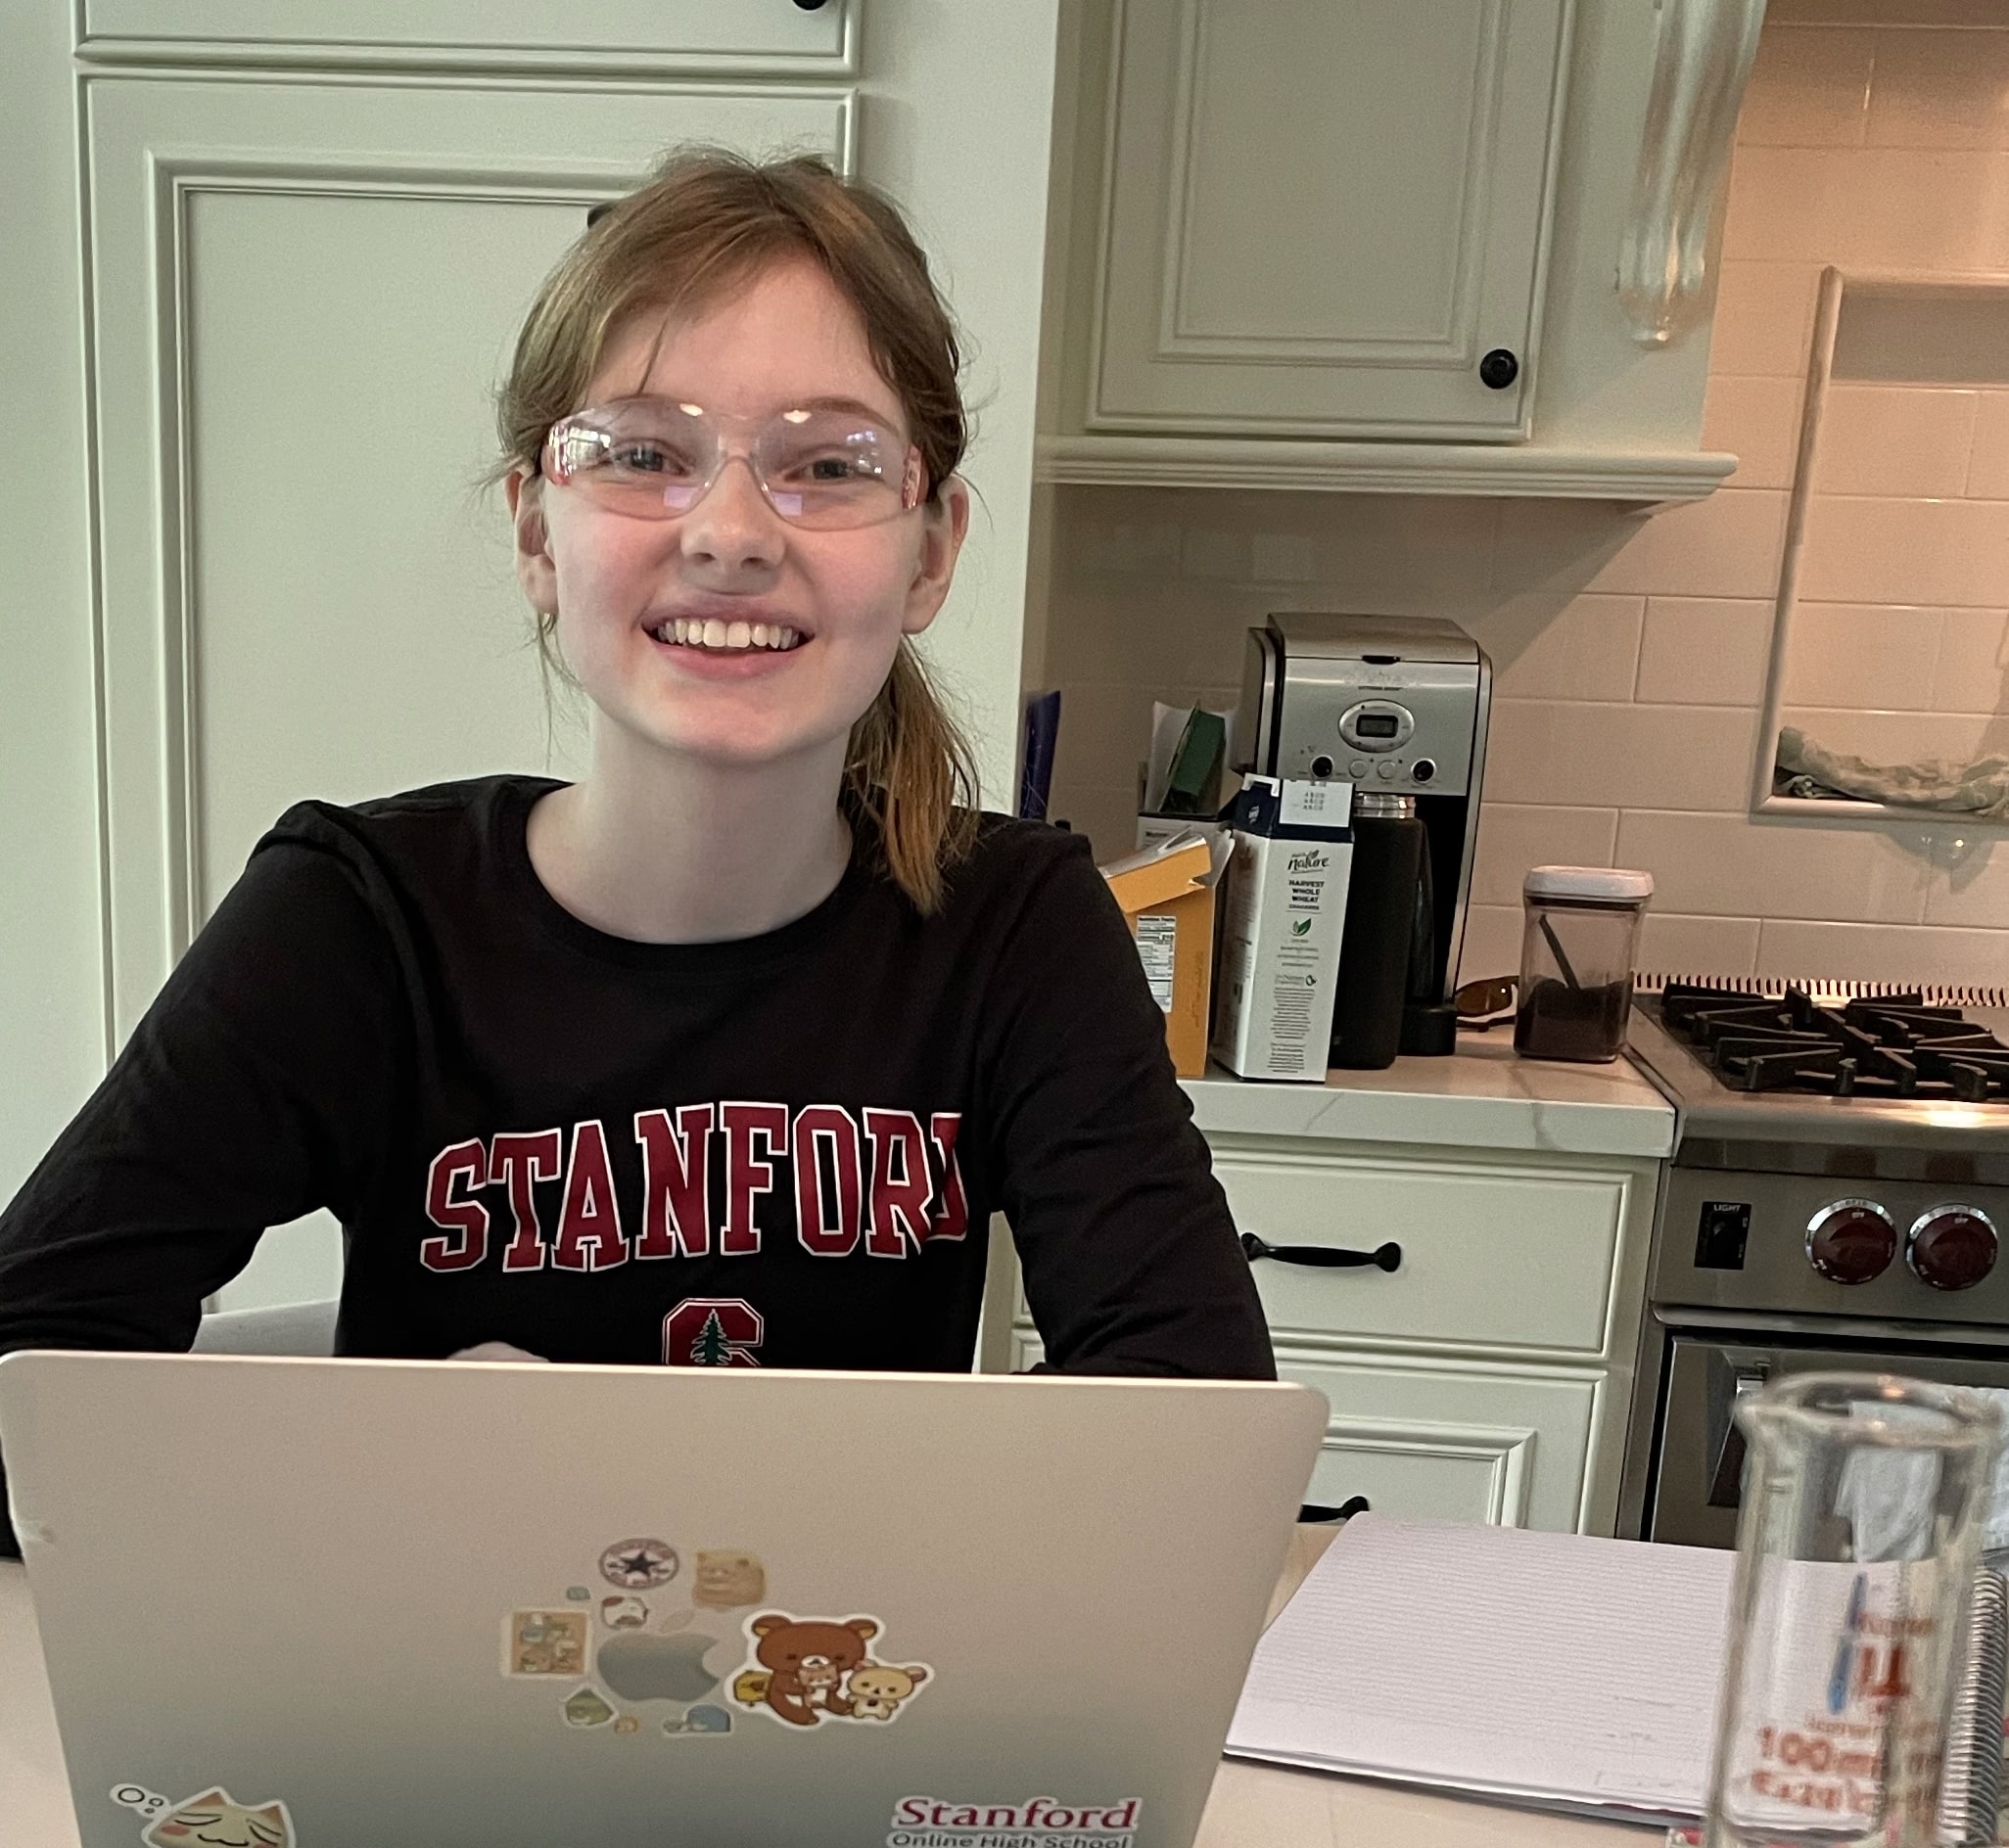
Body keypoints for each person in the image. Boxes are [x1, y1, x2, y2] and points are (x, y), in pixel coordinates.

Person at [0, 151, 1272, 1557]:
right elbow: (25, 1374)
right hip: (436, 1721)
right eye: (645, 456)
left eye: (828, 465)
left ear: (930, 551)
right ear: (538, 531)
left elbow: (1192, 1429)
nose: (730, 534)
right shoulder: (357, 919)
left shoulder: (1016, 926)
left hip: (847, 1707)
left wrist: (616, 1482)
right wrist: (371, 1464)